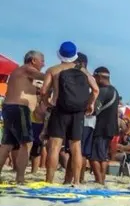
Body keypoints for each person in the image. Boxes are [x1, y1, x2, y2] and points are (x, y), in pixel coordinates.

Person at [41, 43, 99, 185]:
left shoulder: (53, 70)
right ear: (75, 55)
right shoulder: (83, 71)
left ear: (59, 54)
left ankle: (49, 180)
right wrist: (90, 104)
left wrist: (47, 102)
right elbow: (96, 90)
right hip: (78, 112)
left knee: (54, 146)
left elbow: (43, 91)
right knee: (76, 147)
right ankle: (77, 181)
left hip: (59, 109)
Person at [0, 50, 45, 184]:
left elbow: (35, 87)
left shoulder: (21, 73)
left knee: (7, 145)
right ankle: (20, 178)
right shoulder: (27, 69)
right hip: (19, 108)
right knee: (27, 143)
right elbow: (44, 77)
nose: (44, 63)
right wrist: (57, 73)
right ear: (33, 60)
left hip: (10, 108)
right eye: (42, 60)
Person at [89, 66, 119, 185]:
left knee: (95, 156)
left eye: (95, 77)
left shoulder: (102, 91)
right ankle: (102, 179)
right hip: (111, 127)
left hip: (100, 126)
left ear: (100, 77)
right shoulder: (115, 91)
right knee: (103, 155)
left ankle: (99, 180)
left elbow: (94, 109)